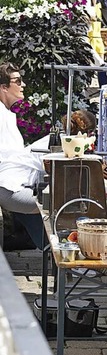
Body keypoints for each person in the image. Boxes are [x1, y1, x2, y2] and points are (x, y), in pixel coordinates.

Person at [0, 64, 46, 249]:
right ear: (3, 87)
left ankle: (52, 254)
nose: (23, 85)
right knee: (64, 202)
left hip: (11, 183)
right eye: (17, 81)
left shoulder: (5, 114)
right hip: (8, 187)